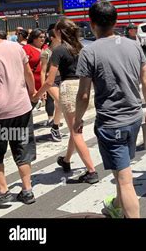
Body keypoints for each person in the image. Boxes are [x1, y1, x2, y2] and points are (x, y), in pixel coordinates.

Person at [73, 1, 146, 218]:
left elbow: (83, 95)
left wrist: (77, 119)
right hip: (133, 118)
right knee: (122, 169)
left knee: (124, 178)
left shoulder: (89, 52)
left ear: (91, 24)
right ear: (116, 21)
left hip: (111, 123)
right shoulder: (134, 46)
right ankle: (117, 207)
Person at [32, 18, 99, 184]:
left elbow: (49, 80)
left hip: (69, 88)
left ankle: (91, 170)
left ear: (60, 32)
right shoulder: (82, 48)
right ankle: (67, 160)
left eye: (55, 29)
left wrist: (37, 95)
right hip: (84, 87)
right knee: (74, 127)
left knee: (76, 132)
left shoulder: (59, 50)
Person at [0, 21, 37, 207]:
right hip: (21, 107)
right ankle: (27, 190)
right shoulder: (15, 47)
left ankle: (3, 191)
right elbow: (28, 74)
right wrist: (33, 94)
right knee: (22, 147)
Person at [40, 29, 63, 142]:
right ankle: (55, 126)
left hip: (62, 79)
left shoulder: (63, 49)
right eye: (59, 35)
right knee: (60, 101)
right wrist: (43, 89)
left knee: (61, 103)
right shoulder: (46, 53)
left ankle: (55, 126)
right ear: (52, 38)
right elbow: (43, 71)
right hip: (51, 80)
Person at [23, 29, 46, 102]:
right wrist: (33, 89)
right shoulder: (27, 48)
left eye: (44, 37)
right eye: (40, 37)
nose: (43, 39)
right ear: (34, 38)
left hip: (45, 83)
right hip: (31, 84)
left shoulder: (46, 48)